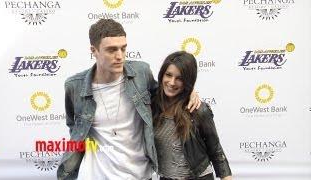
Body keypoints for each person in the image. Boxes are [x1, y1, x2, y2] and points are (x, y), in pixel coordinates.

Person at [57, 19, 201, 180]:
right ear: (94, 50)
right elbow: (74, 126)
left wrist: (189, 90)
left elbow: (164, 96)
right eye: (111, 50)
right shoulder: (74, 86)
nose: (120, 56)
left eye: (123, 48)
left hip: (140, 175)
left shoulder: (141, 73)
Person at [152, 51, 232, 180]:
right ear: (162, 75)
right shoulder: (151, 104)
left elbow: (216, 150)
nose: (172, 82)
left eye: (179, 78)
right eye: (168, 75)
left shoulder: (198, 110)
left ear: (188, 81)